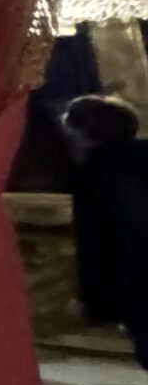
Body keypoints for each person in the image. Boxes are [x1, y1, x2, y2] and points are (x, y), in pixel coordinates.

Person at [67, 95, 148, 370]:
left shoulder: (92, 175)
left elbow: (95, 243)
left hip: (135, 282)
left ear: (83, 134)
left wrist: (96, 302)